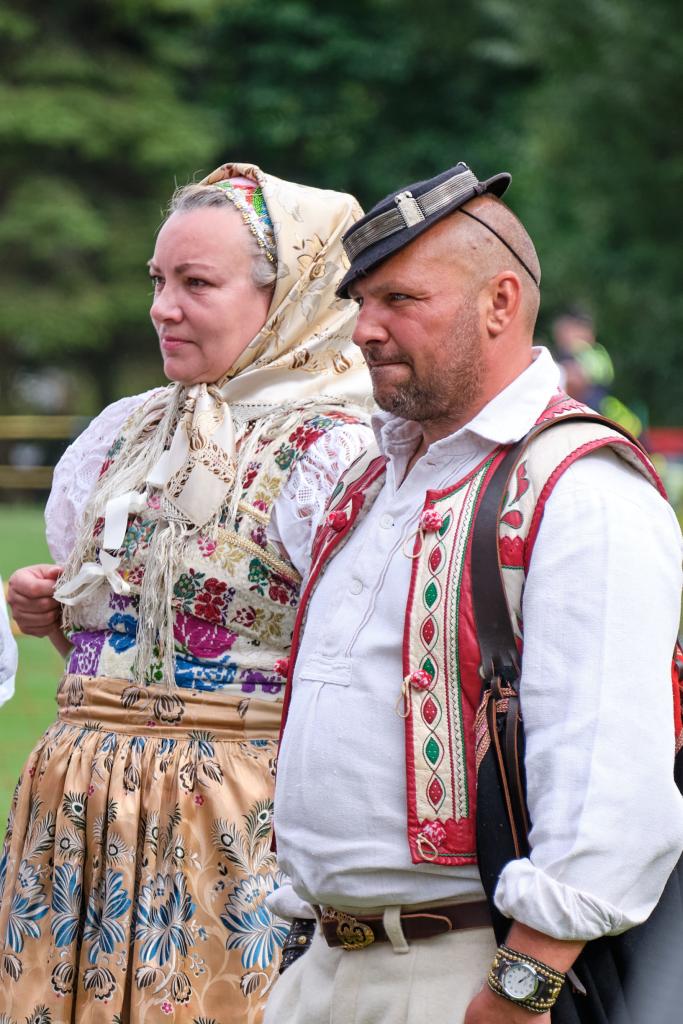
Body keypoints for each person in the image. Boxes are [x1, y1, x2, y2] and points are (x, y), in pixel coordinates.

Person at [265, 163, 683, 1024]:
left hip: (466, 971)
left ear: (499, 302)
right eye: (360, 302)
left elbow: (611, 779)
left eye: (400, 300)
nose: (364, 330)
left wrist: (522, 986)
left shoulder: (578, 488)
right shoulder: (369, 477)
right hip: (325, 970)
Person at [1, 162, 373, 1022]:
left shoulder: (338, 452)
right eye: (157, 280)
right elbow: (122, 639)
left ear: (289, 296)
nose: (162, 307)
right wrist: (55, 615)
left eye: (195, 284)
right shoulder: (125, 432)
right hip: (79, 810)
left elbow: (363, 665)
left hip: (232, 821)